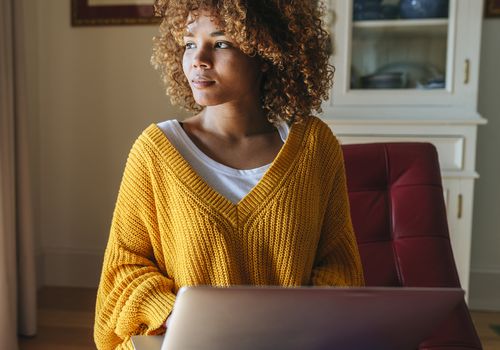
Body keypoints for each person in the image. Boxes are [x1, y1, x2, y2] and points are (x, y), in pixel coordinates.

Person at [93, 0, 364, 349]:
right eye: (190, 43)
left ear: (267, 53)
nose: (198, 59)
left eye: (221, 43)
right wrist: (178, 316)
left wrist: (296, 325)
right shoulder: (155, 151)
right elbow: (123, 271)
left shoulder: (314, 146)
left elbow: (340, 267)